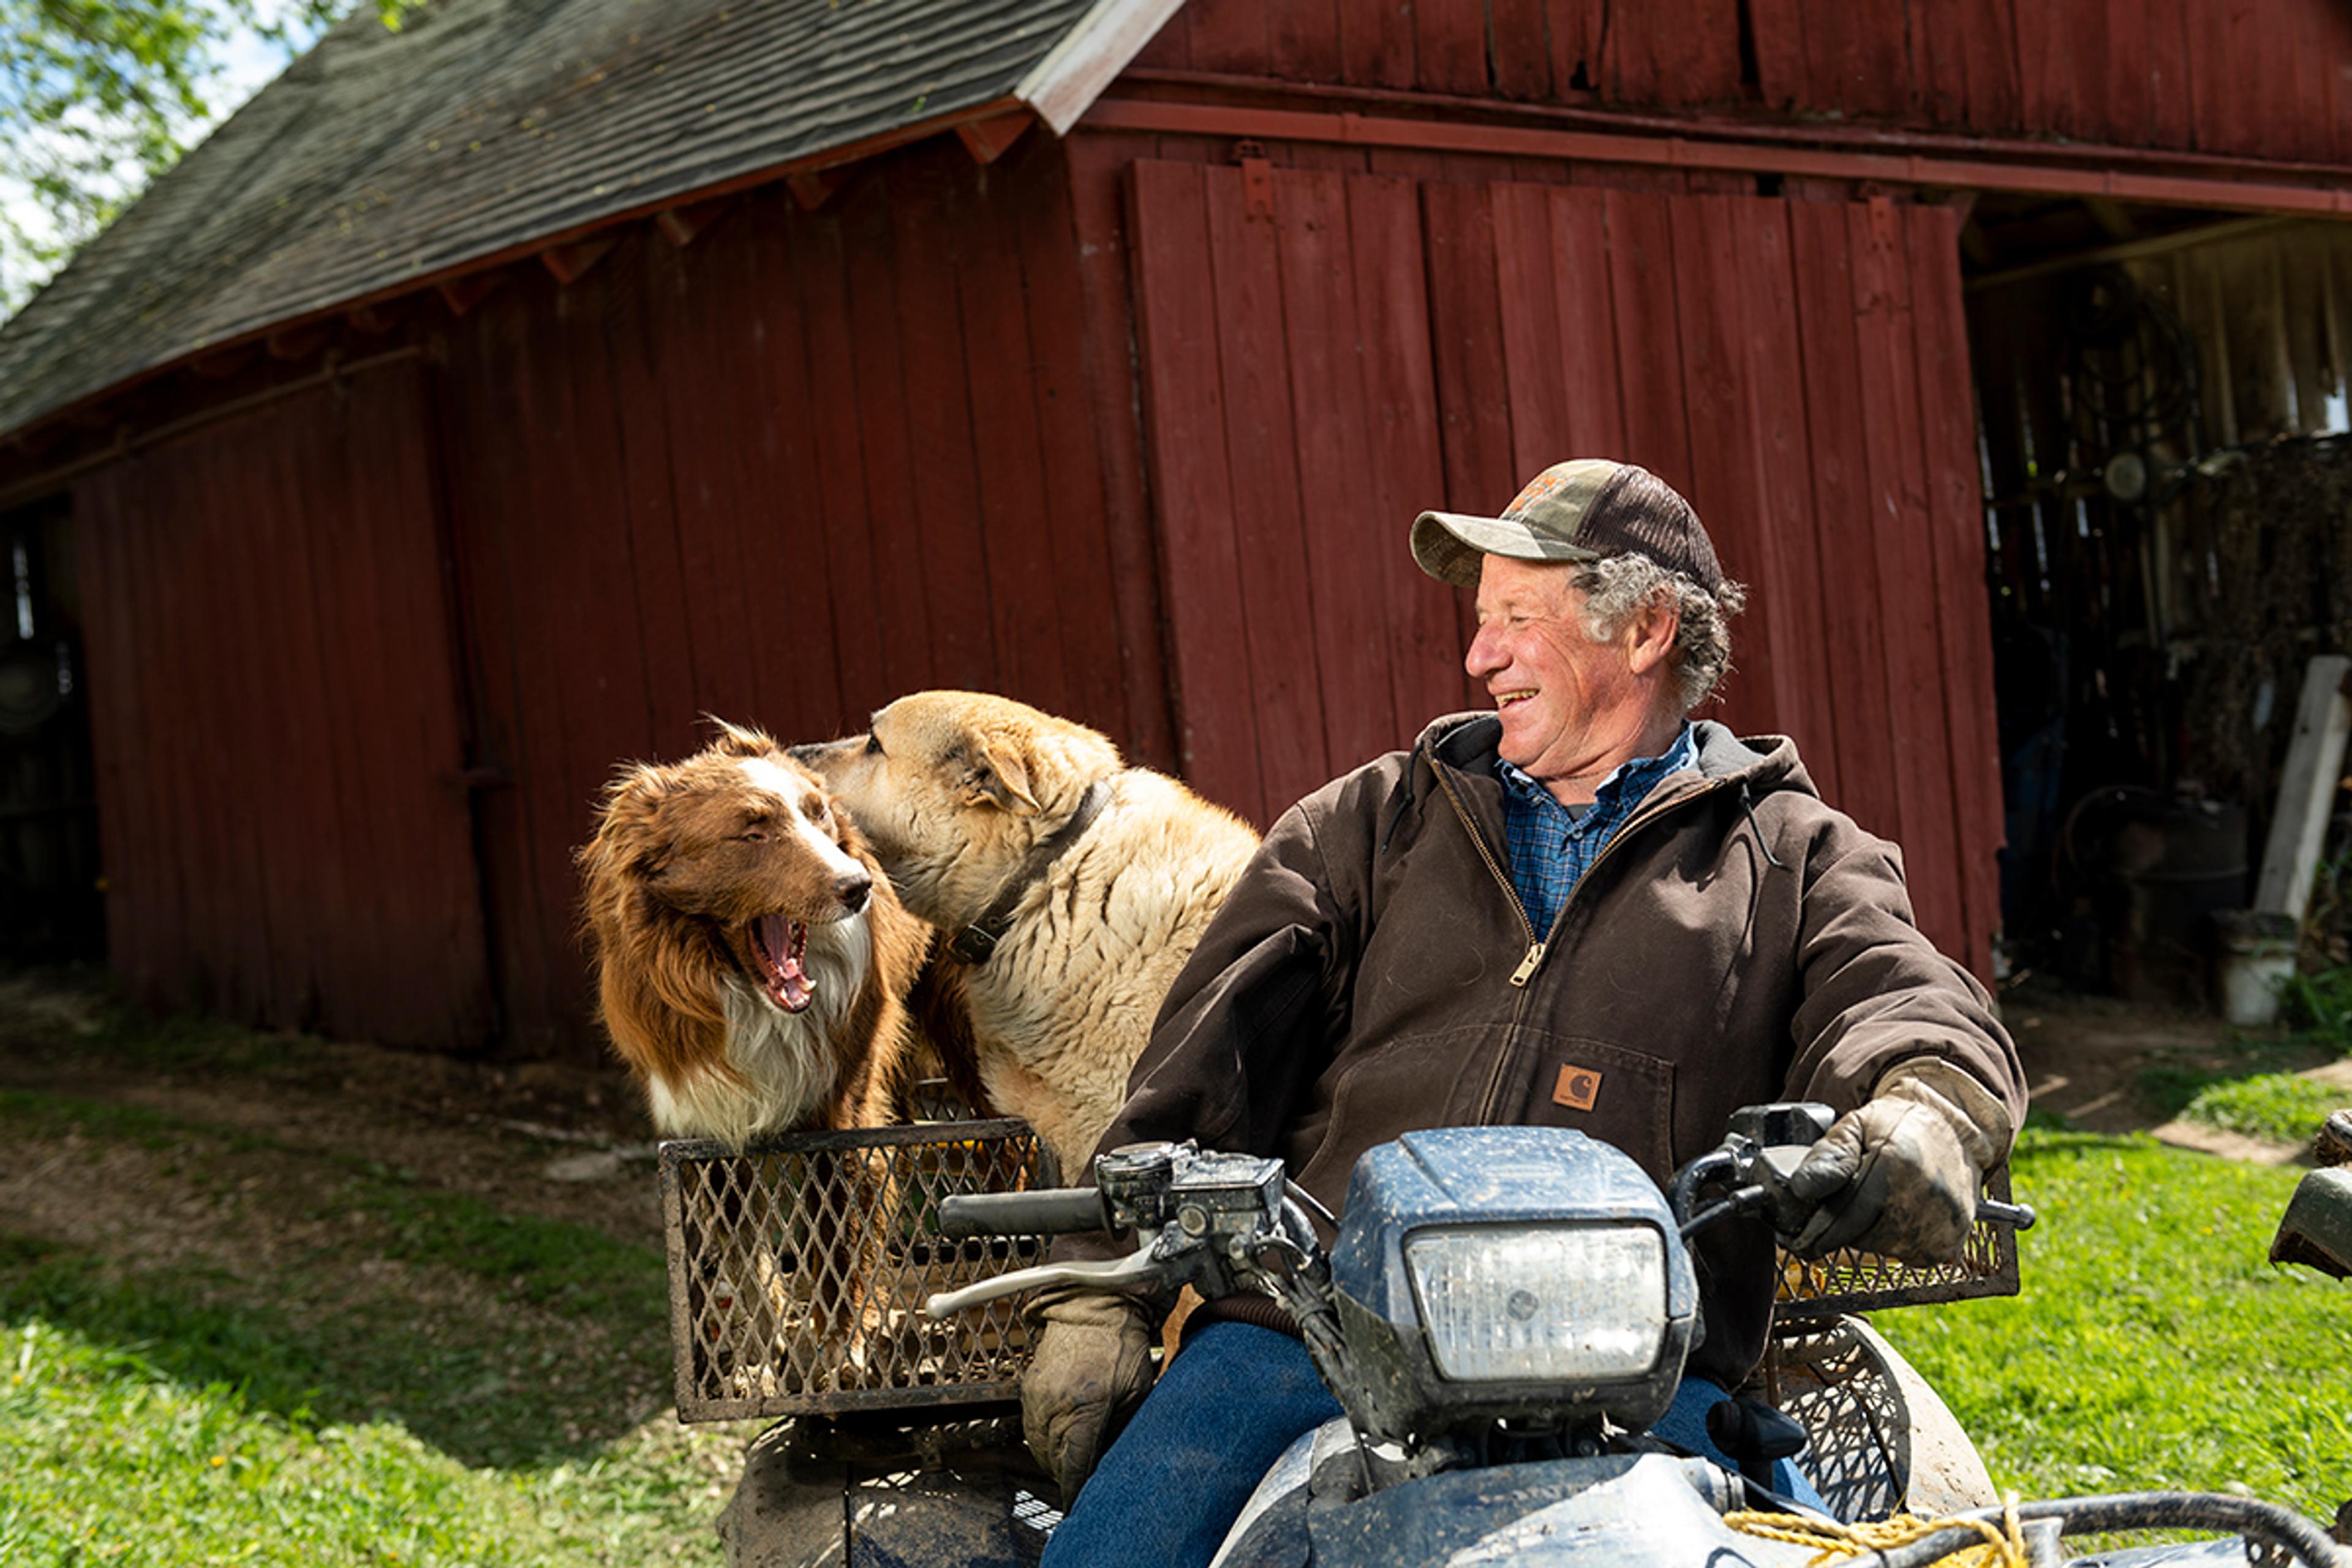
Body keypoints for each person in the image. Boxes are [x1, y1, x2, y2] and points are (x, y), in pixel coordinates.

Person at [1022, 459, 2028, 1567]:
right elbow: (1196, 1072)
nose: (1478, 654)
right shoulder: (1367, 823)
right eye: (1479, 619)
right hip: (1311, 1337)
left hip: (1636, 1360)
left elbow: (1906, 996)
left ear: (1644, 631)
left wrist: (1930, 1107)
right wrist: (1093, 1297)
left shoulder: (1794, 854)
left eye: (1515, 618)